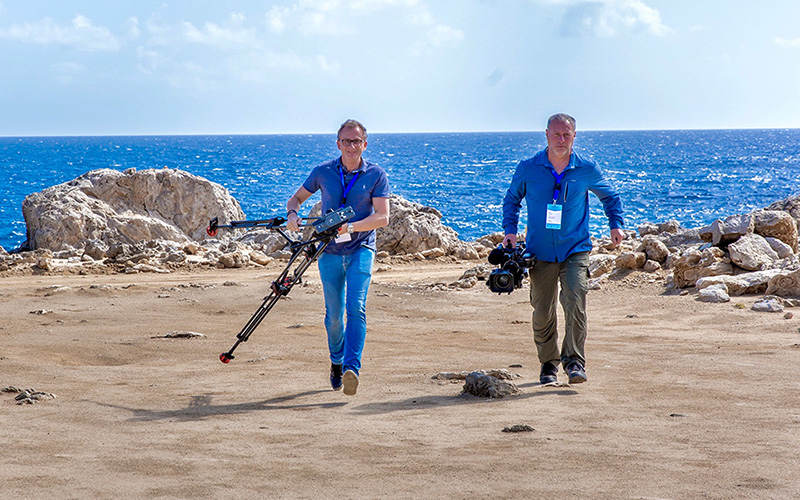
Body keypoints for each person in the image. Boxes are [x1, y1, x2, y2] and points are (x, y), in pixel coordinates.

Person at [502, 113, 624, 385]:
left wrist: (615, 225)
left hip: (575, 248)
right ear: (546, 134)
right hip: (539, 251)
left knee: (575, 300)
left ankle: (574, 363)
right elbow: (512, 200)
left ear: (574, 137)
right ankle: (548, 364)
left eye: (566, 134)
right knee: (542, 310)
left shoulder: (587, 169)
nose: (561, 139)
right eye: (556, 134)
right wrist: (510, 230)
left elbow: (610, 197)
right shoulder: (528, 167)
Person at [286, 119, 390, 396]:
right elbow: (295, 199)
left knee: (356, 307)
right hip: (328, 251)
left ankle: (351, 368)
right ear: (338, 144)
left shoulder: (376, 174)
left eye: (356, 141)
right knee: (333, 316)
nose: (351, 146)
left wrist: (352, 227)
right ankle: (336, 362)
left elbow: (382, 217)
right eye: (346, 141)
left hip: (361, 248)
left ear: (364, 144)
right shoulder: (323, 171)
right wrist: (293, 214)